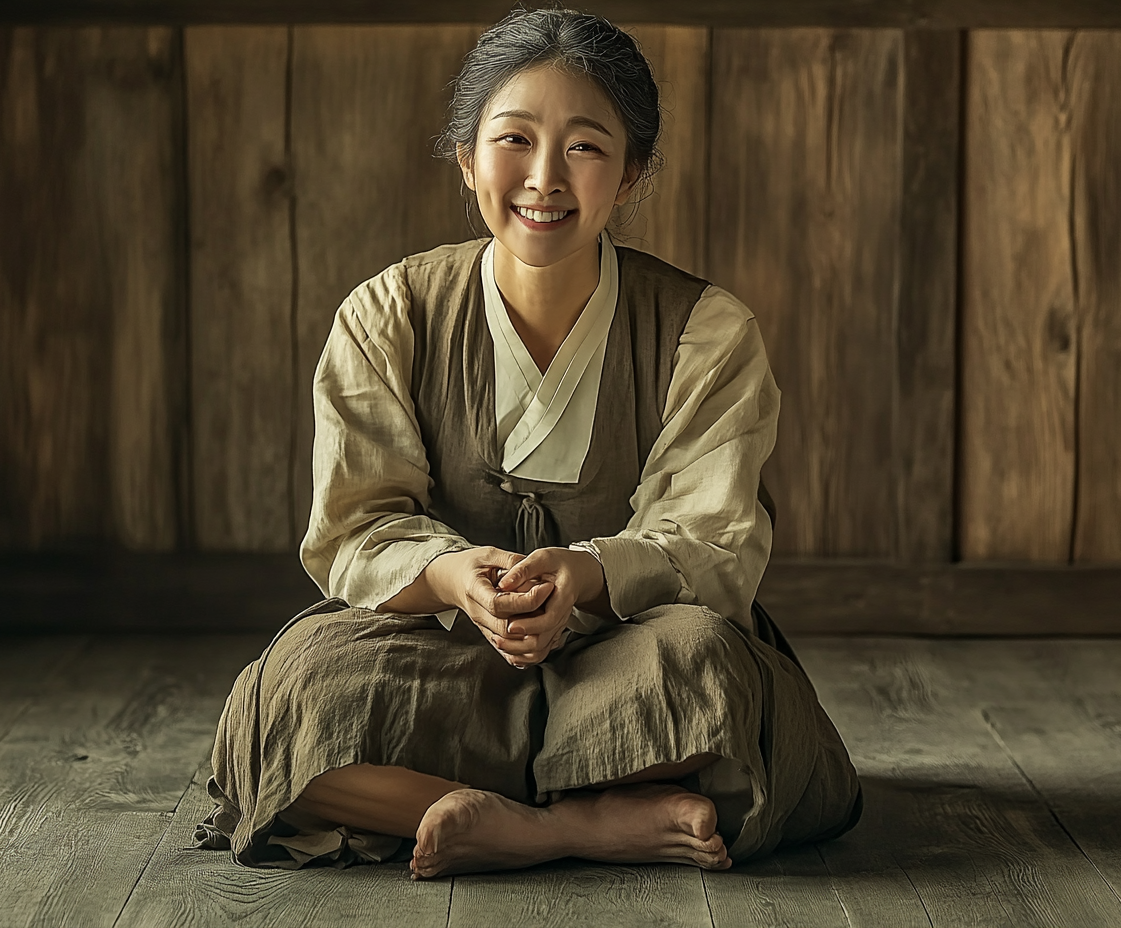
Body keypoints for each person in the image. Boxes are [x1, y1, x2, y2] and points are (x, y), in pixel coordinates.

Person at [194, 7, 862, 879]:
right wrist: (451, 575)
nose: (545, 177)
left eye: (586, 146)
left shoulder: (706, 330)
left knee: (712, 682)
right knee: (290, 704)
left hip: (630, 645)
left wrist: (586, 574)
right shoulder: (389, 314)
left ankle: (478, 816)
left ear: (630, 175)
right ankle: (588, 823)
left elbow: (715, 540)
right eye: (514, 139)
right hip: (437, 646)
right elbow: (356, 524)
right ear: (467, 156)